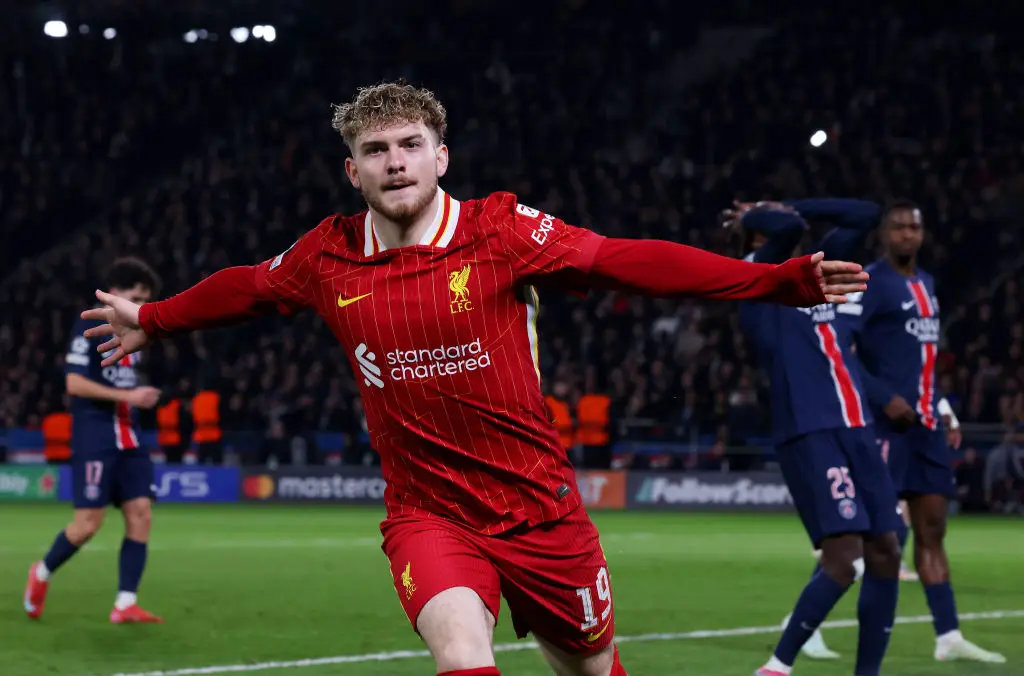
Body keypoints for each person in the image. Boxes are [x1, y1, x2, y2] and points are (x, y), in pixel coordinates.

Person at [79, 82, 866, 676]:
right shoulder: (328, 255)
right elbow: (247, 286)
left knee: (594, 667)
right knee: (463, 656)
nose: (395, 162)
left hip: (540, 512)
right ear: (352, 171)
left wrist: (775, 280)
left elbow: (627, 260)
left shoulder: (500, 231)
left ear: (440, 156)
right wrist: (150, 320)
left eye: (410, 145)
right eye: (377, 151)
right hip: (431, 514)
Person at [728, 200, 902, 676]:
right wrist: (759, 215)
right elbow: (784, 226)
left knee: (886, 549)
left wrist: (792, 207)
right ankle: (777, 667)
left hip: (855, 426)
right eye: (764, 232)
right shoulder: (756, 281)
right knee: (843, 560)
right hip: (810, 429)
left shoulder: (815, 274)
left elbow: (866, 215)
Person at [841, 200, 1005, 664]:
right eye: (899, 227)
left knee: (932, 531)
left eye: (915, 226)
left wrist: (946, 408)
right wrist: (881, 397)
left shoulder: (928, 285)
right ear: (885, 234)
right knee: (874, 541)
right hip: (887, 428)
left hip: (929, 429)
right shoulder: (870, 282)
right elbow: (840, 347)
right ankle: (806, 626)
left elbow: (925, 361)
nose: (908, 234)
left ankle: (947, 635)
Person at [24, 257, 164, 624]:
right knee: (88, 525)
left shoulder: (136, 333)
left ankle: (125, 603)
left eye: (144, 300)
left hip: (129, 438)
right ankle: (41, 572)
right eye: (135, 296)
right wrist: (130, 398)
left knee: (141, 514)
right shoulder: (89, 326)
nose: (138, 305)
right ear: (114, 294)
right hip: (95, 436)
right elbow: (74, 384)